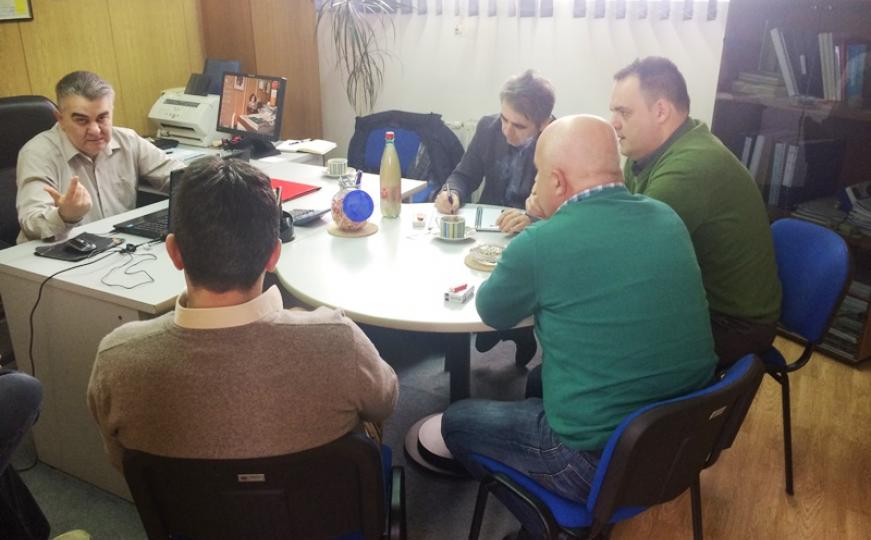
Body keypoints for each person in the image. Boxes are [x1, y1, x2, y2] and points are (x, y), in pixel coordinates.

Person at [442, 115, 716, 538]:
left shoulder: (541, 243)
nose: (534, 183)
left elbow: (491, 311)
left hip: (595, 462)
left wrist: (537, 225)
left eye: (538, 174)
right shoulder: (667, 217)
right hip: (680, 440)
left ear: (556, 180)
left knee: (457, 421)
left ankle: (552, 529)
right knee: (537, 381)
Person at [87, 157, 398, 471]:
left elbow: (121, 463)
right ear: (274, 254)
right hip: (325, 500)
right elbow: (385, 402)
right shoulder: (338, 340)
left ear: (174, 252)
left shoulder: (115, 359)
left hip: (182, 505)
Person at [609, 57, 782, 366]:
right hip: (693, 301)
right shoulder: (646, 153)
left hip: (732, 324)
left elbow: (626, 257)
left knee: (598, 347)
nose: (614, 122)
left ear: (660, 111)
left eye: (624, 112)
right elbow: (615, 221)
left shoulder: (689, 168)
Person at [16, 70, 182, 242]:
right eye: (82, 120)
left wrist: (198, 178)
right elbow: (31, 222)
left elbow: (180, 178)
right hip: (55, 251)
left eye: (102, 118)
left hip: (118, 245)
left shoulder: (128, 140)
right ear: (60, 119)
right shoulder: (37, 153)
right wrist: (65, 216)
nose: (95, 130)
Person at [434, 69, 555, 235]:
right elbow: (464, 176)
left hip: (530, 233)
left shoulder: (558, 143)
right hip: (486, 226)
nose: (507, 131)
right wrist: (451, 193)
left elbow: (566, 210)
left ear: (544, 124)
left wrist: (533, 220)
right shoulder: (488, 128)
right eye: (504, 119)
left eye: (519, 126)